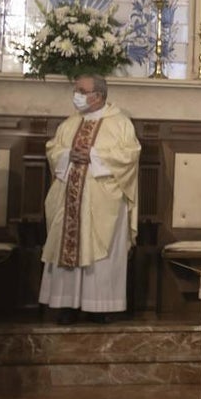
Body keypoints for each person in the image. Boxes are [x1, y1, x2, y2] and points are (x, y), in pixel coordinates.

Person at [39, 74, 140, 324]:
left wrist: (93, 155)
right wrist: (68, 154)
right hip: (69, 200)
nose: (77, 95)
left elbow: (129, 155)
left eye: (82, 91)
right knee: (67, 246)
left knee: (102, 254)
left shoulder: (120, 123)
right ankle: (67, 305)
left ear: (99, 96)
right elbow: (53, 149)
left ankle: (100, 307)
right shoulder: (69, 123)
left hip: (103, 201)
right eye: (76, 90)